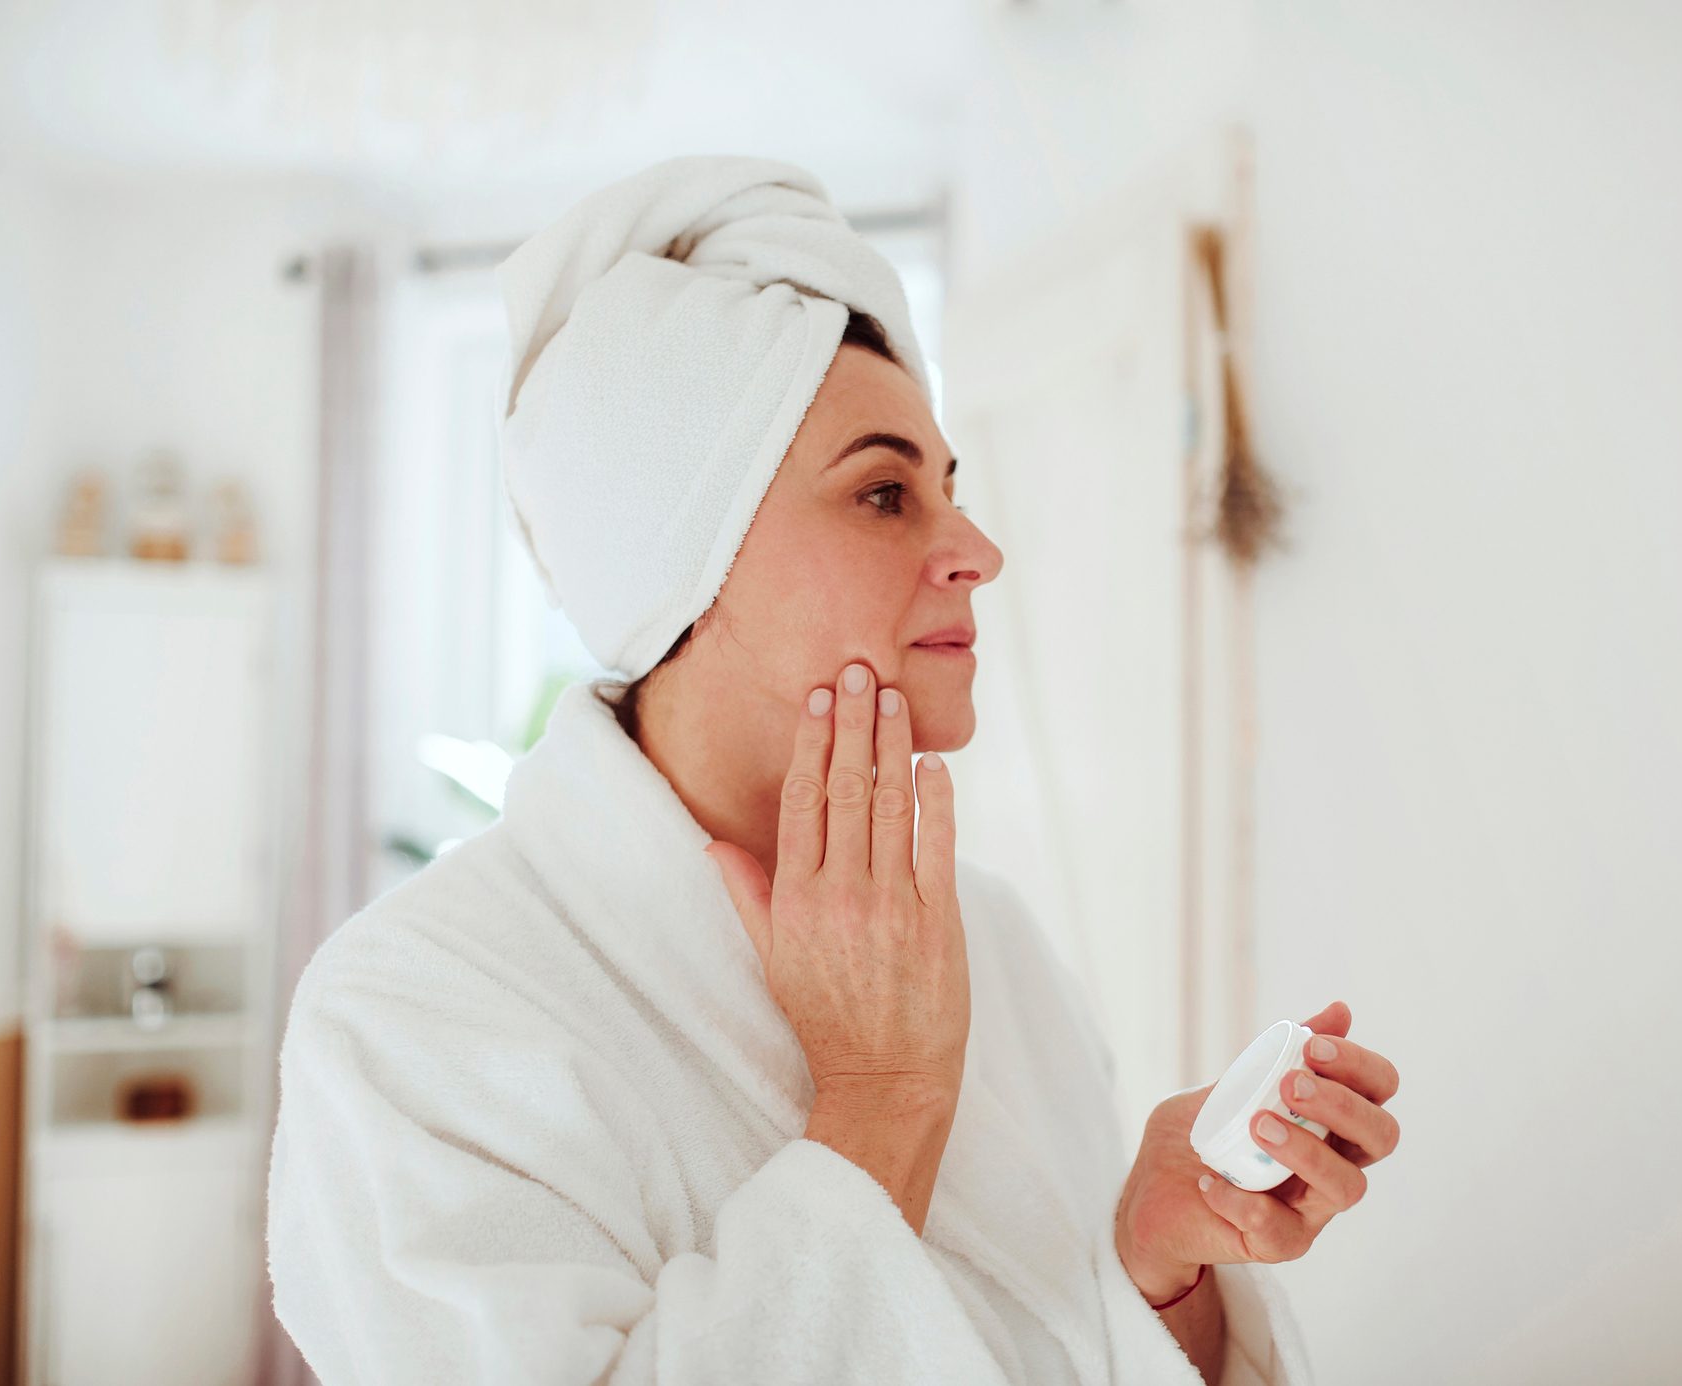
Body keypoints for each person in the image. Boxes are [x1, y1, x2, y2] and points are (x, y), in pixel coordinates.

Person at [265, 154, 1401, 1385]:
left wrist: (1159, 1267)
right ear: (684, 574)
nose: (974, 547)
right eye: (882, 493)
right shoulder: (415, 1013)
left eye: (947, 488)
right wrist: (879, 1103)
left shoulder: (994, 939)